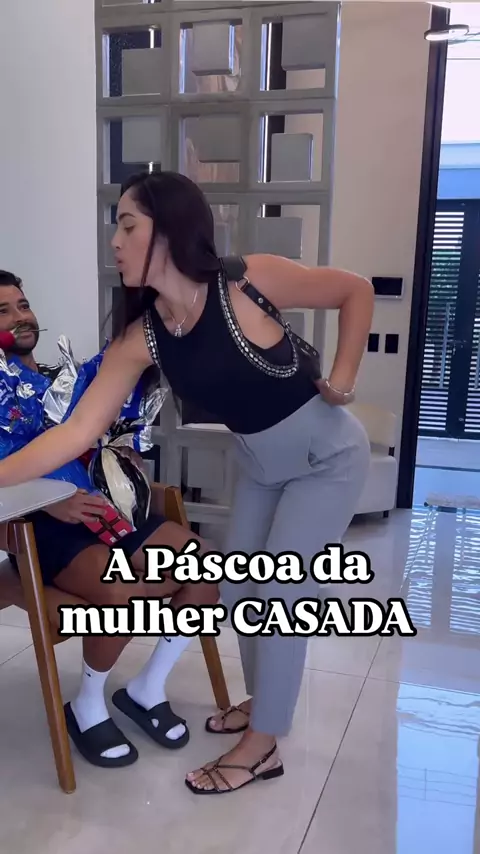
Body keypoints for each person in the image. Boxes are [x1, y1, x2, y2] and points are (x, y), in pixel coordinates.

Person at [0, 171, 373, 794]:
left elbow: (354, 290)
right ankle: (263, 703)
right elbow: (76, 432)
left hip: (326, 459)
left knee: (281, 594)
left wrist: (342, 380)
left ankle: (263, 747)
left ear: (169, 231)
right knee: (240, 589)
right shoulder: (142, 336)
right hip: (260, 466)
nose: (115, 241)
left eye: (128, 226)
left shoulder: (247, 281)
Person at [0, 269, 218, 769]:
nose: (20, 316)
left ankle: (146, 689)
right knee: (123, 597)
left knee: (204, 566)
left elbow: (104, 413)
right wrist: (49, 501)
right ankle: (88, 704)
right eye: (3, 311)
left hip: (110, 512)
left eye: (23, 304)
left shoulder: (64, 380)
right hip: (40, 528)